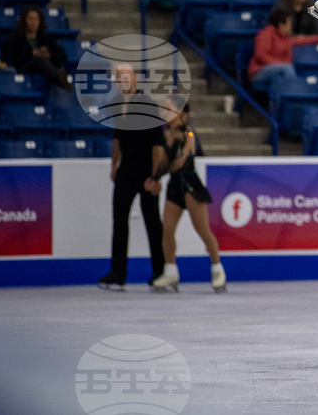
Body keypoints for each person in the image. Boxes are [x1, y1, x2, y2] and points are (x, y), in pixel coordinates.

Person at [145, 98, 226, 293]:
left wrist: (158, 175)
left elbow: (180, 162)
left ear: (180, 111)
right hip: (174, 187)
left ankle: (217, 269)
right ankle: (171, 271)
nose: (164, 111)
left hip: (190, 185)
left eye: (168, 107)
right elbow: (164, 162)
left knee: (203, 230)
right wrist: (154, 178)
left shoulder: (189, 133)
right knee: (167, 230)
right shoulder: (165, 134)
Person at [97, 64, 167, 291]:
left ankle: (160, 271)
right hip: (126, 169)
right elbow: (117, 138)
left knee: (152, 221)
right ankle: (118, 272)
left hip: (147, 171)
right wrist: (114, 164)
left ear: (134, 79)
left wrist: (156, 176)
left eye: (126, 77)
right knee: (119, 219)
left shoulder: (147, 105)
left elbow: (157, 144)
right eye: (119, 79)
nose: (122, 82)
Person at [248, 7, 318, 87]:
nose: (291, 27)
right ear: (281, 25)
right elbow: (260, 55)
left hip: (279, 70)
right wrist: (280, 64)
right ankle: (295, 91)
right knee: (287, 68)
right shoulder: (266, 34)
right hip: (259, 72)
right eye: (289, 23)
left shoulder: (287, 38)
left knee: (287, 68)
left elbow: (305, 39)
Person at [0, 6, 70, 90]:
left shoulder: (46, 38)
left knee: (42, 61)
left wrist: (49, 55)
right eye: (30, 19)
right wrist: (31, 55)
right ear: (24, 20)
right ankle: (60, 79)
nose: (33, 22)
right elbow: (10, 58)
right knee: (39, 60)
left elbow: (62, 55)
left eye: (36, 19)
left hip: (44, 69)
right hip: (22, 69)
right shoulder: (15, 38)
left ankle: (58, 78)